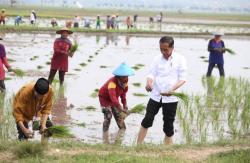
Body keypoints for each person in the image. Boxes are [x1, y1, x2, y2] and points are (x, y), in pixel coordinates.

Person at [137, 36, 187, 145]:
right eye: (161, 49)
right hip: (155, 95)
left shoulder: (180, 59)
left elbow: (183, 79)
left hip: (171, 98)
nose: (163, 52)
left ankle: (167, 150)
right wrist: (149, 83)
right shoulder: (157, 59)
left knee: (168, 125)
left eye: (166, 49)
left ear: (172, 47)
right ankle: (138, 146)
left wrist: (171, 90)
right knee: (147, 120)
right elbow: (151, 74)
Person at [98, 62, 134, 143]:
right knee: (108, 116)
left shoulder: (125, 82)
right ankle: (105, 136)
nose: (126, 78)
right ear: (119, 76)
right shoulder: (112, 83)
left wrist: (125, 105)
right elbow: (113, 98)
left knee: (119, 117)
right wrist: (121, 108)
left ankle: (120, 136)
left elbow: (123, 94)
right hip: (105, 99)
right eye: (124, 76)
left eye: (127, 76)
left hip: (114, 100)